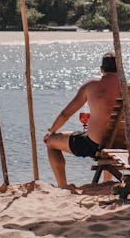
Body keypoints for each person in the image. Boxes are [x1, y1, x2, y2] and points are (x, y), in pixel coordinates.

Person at [43, 52, 120, 190]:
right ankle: (106, 182)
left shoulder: (91, 85)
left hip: (95, 145)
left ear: (101, 69)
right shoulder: (128, 87)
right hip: (122, 143)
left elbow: (65, 114)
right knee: (111, 139)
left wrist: (51, 131)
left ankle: (62, 186)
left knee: (51, 143)